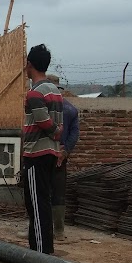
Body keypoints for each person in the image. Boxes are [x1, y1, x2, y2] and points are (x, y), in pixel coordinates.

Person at [22, 44, 64, 254]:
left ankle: (40, 252)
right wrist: (57, 133)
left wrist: (55, 132)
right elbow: (59, 124)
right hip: (51, 153)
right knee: (43, 202)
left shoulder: (35, 93)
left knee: (36, 205)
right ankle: (43, 248)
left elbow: (44, 122)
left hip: (36, 153)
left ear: (30, 64)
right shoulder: (55, 91)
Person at [48, 75, 80, 240]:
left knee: (40, 191)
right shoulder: (71, 109)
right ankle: (59, 231)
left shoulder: (43, 107)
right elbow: (75, 134)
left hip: (43, 155)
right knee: (59, 191)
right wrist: (65, 151)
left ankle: (39, 228)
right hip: (61, 156)